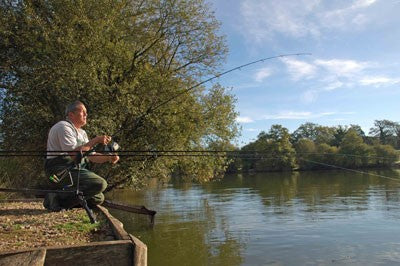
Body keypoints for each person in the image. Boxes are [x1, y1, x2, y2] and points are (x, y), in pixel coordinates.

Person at [44, 100, 119, 211]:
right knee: (100, 184)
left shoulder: (82, 133)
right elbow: (74, 155)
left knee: (98, 198)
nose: (86, 115)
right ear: (71, 114)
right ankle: (55, 198)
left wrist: (109, 158)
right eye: (82, 112)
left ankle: (61, 198)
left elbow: (91, 156)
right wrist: (96, 140)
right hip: (58, 171)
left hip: (73, 170)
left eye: (86, 112)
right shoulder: (63, 127)